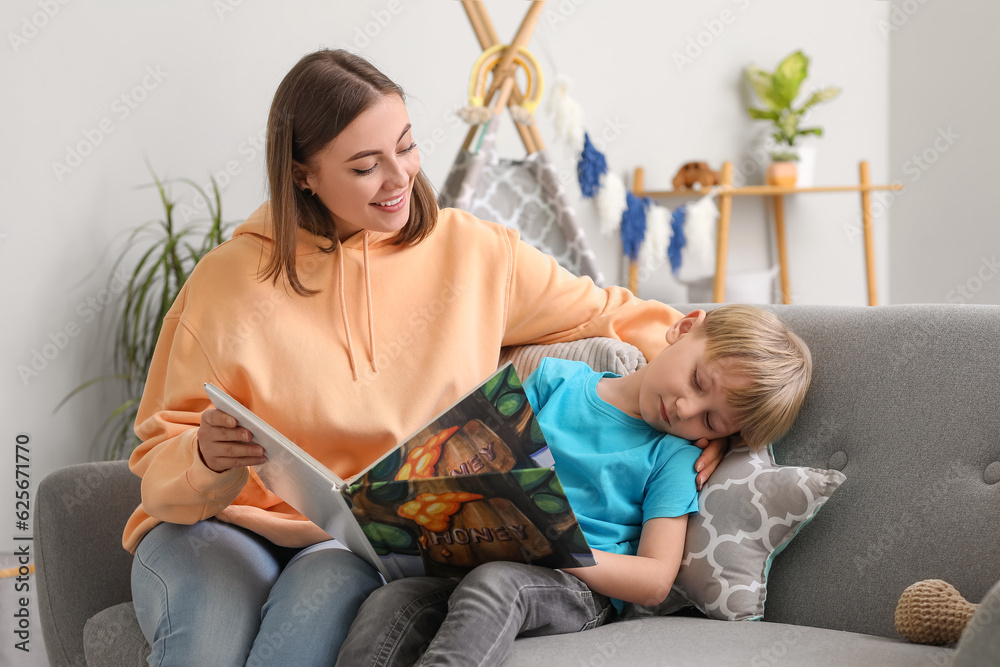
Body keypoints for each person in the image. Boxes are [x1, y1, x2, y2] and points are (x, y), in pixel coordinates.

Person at [123, 49, 727, 666]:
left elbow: (610, 312)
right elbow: (158, 465)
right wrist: (202, 455)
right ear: (303, 173)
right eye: (365, 167)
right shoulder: (226, 282)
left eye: (406, 147)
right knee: (202, 653)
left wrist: (704, 419)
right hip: (220, 526)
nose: (399, 179)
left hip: (353, 544)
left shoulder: (475, 254)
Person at [335, 304, 812, 667]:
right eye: (696, 380)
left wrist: (557, 548)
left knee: (498, 584)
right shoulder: (556, 382)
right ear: (684, 328)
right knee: (390, 600)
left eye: (710, 418)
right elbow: (473, 455)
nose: (686, 409)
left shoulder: (675, 456)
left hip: (576, 588)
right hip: (487, 554)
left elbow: (653, 579)